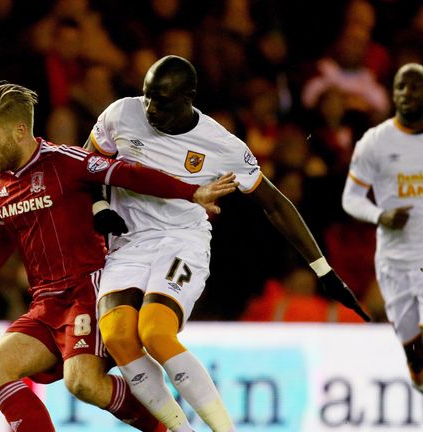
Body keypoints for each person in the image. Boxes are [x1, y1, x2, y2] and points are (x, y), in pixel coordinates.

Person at [0, 81, 237, 432]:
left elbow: (127, 174)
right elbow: (2, 240)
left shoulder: (64, 161)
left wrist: (192, 191)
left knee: (83, 383)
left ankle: (169, 429)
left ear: (19, 130)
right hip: (45, 303)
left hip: (85, 292)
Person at [86, 55, 371, 432]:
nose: (152, 110)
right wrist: (100, 204)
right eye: (148, 97)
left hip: (180, 242)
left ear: (189, 97)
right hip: (128, 241)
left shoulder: (222, 145)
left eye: (164, 102)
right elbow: (88, 163)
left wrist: (323, 269)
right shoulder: (122, 114)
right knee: (119, 336)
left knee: (155, 332)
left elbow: (274, 203)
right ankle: (181, 431)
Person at [342, 63, 423, 393]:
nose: (406, 94)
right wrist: (381, 216)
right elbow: (350, 199)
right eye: (400, 87)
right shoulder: (375, 142)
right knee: (413, 351)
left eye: (414, 87)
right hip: (393, 260)